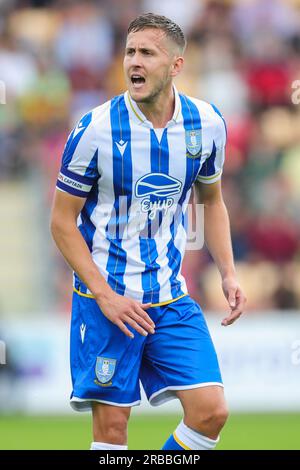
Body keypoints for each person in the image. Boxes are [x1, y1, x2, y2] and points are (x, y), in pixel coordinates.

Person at [50, 13, 246, 451]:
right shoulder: (95, 130)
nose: (133, 62)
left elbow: (211, 202)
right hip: (107, 302)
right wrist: (104, 294)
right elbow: (61, 222)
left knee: (212, 411)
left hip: (170, 295)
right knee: (113, 436)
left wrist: (229, 273)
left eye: (146, 53)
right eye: (129, 52)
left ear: (176, 65)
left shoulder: (207, 124)